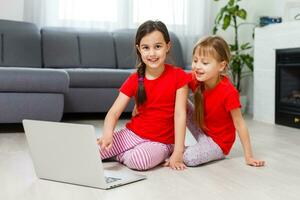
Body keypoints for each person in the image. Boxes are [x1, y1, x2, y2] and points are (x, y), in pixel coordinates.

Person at [97, 20, 189, 171]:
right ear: (139, 49)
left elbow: (180, 115)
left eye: (158, 47)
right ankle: (120, 153)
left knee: (139, 161)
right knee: (96, 150)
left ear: (168, 46)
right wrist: (108, 134)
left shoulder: (179, 76)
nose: (152, 53)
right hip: (133, 134)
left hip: (162, 142)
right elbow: (113, 113)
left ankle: (119, 155)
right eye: (146, 48)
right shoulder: (134, 79)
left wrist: (178, 151)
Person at [183, 36, 265, 167]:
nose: (197, 66)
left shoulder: (228, 92)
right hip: (202, 131)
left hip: (218, 143)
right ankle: (175, 147)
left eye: (204, 63)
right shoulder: (197, 78)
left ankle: (183, 150)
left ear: (221, 66)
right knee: (180, 99)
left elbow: (240, 124)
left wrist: (249, 156)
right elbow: (176, 78)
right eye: (195, 60)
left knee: (189, 158)